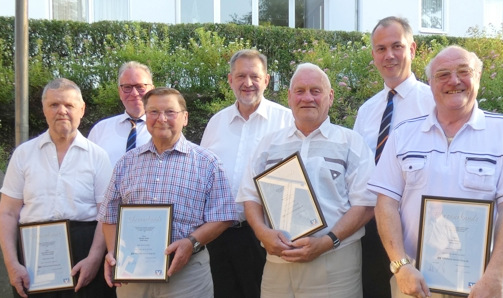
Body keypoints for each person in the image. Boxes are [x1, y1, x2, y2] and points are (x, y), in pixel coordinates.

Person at [369, 45, 503, 298]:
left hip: (483, 286)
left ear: (478, 77)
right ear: (430, 83)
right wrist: (400, 265)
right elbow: (385, 204)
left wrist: (495, 276)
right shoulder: (403, 134)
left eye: (464, 71)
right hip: (414, 283)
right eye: (443, 75)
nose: (454, 81)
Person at [236, 63, 376, 297]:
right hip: (278, 263)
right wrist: (262, 233)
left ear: (330, 97)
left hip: (335, 263)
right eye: (300, 91)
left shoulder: (351, 142)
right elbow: (249, 196)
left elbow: (366, 204)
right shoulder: (269, 144)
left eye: (315, 91)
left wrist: (328, 241)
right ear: (289, 97)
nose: (307, 98)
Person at [98, 87, 238, 298]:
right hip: (133, 273)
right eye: (153, 112)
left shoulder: (207, 163)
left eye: (170, 112)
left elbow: (224, 216)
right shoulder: (126, 162)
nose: (161, 118)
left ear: (185, 118)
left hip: (187, 274)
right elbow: (109, 215)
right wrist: (113, 251)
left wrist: (191, 242)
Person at [0, 78, 115, 298]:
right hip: (33, 254)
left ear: (82, 110)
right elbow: (7, 212)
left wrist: (94, 259)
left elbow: (106, 213)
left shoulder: (98, 156)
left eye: (69, 105)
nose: (62, 111)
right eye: (54, 105)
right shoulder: (23, 154)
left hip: (84, 249)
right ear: (44, 109)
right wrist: (12, 263)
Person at [200, 49, 294, 298]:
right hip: (218, 235)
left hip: (264, 235)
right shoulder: (216, 123)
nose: (248, 83)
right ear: (230, 80)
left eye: (255, 76)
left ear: (266, 80)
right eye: (241, 76)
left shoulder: (287, 121)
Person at [353, 16, 435, 298]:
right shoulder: (367, 111)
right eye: (380, 48)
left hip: (417, 231)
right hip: (371, 228)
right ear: (374, 55)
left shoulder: (435, 103)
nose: (389, 55)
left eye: (396, 46)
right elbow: (358, 169)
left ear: (412, 50)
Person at [88, 61, 154, 166]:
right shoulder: (100, 130)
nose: (134, 93)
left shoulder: (165, 130)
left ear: (152, 90)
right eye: (127, 87)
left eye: (140, 87)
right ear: (120, 92)